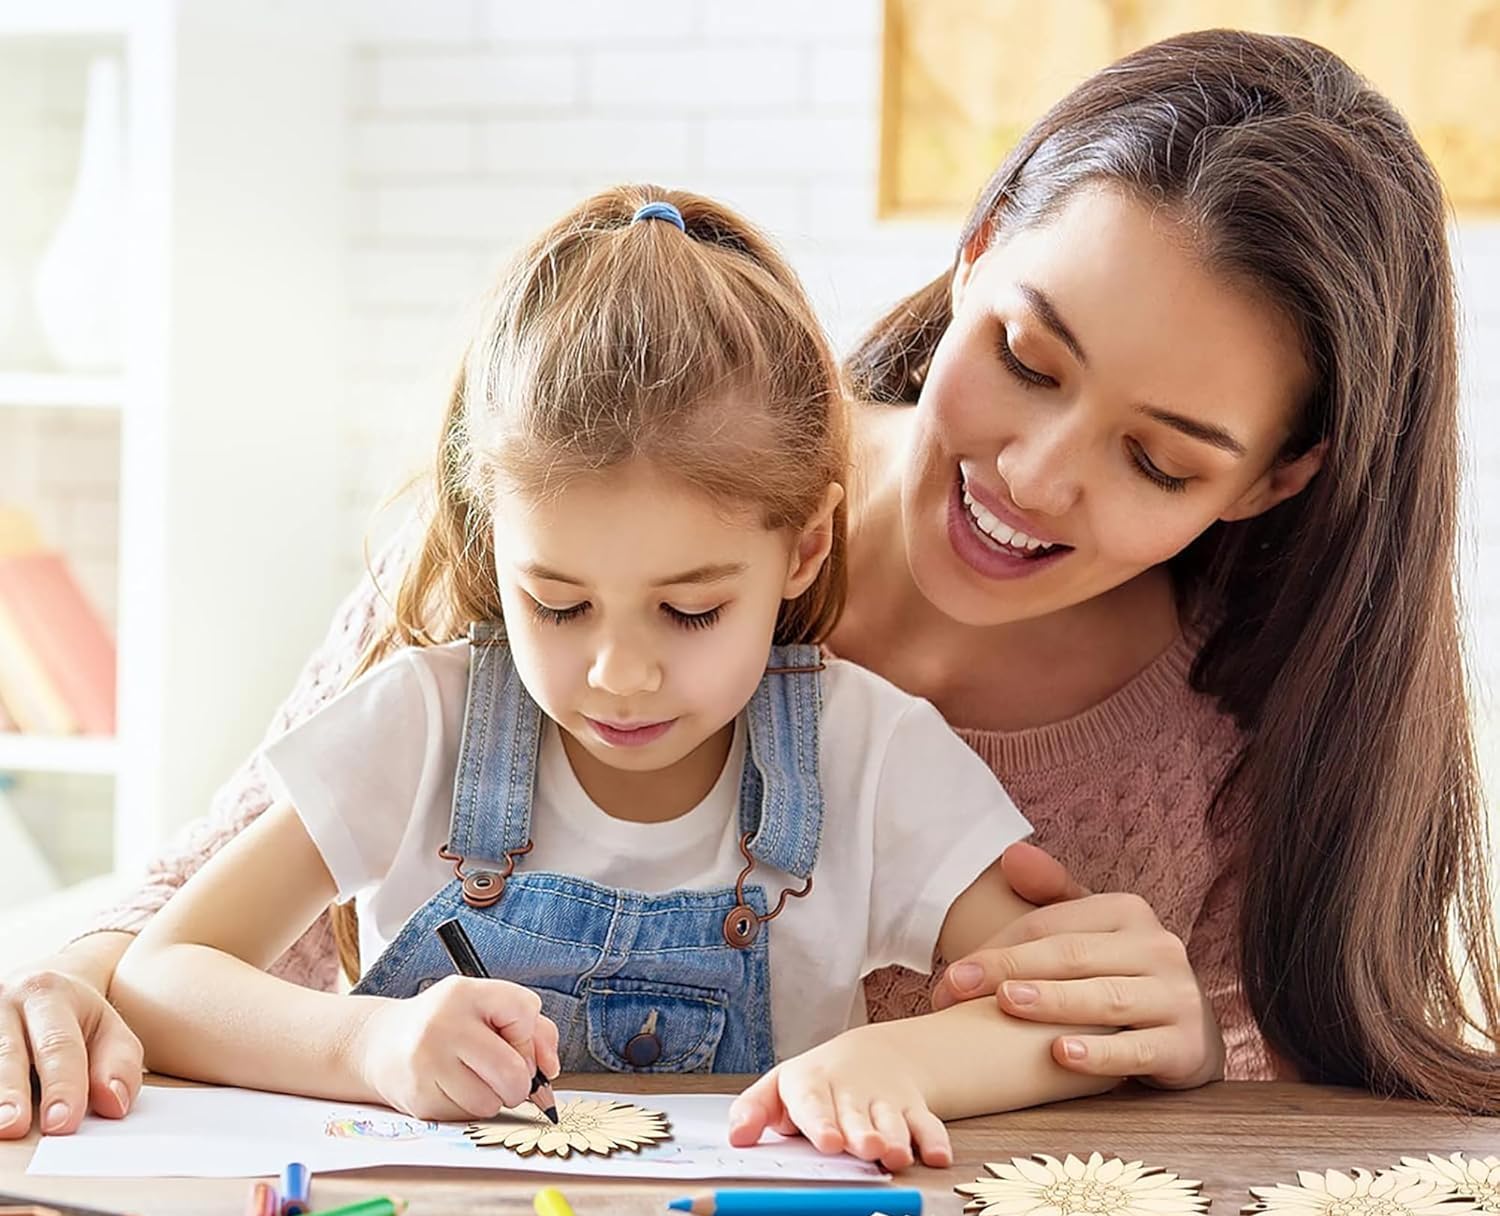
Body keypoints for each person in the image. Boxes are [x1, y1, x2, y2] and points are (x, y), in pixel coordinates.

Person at [4, 27, 1494, 1141]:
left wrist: (1170, 1046)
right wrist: (73, 984)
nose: (1037, 474)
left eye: (1159, 463)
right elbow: (186, 913)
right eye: (1028, 358)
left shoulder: (1220, 729)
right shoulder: (626, 468)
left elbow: (1236, 1126)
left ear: (1274, 480)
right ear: (974, 254)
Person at [106, 187, 1119, 1172]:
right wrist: (366, 1045)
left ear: (804, 549)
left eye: (690, 611)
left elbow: (1065, 1016)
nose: (618, 675)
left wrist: (898, 1058)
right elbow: (162, 977)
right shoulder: (425, 726)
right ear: (492, 542)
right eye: (556, 603)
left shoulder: (866, 753)